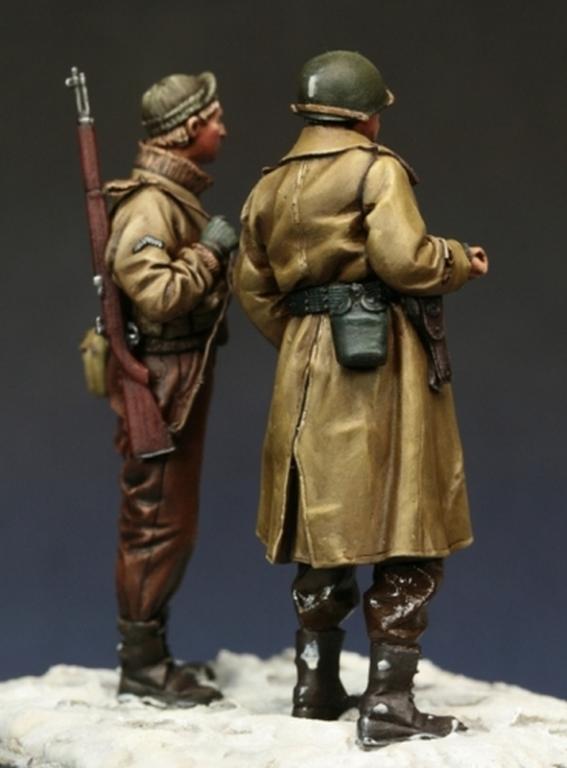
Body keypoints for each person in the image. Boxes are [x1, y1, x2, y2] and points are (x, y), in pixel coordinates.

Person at [235, 50, 488, 747]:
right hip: (377, 367)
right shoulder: (376, 169)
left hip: (305, 367)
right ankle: (389, 703)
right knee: (405, 521)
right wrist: (456, 259)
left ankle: (315, 686)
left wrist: (302, 338)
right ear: (366, 115)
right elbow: (404, 259)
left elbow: (252, 286)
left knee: (325, 529)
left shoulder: (267, 186)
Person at [104, 71, 237, 706]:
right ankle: (142, 667)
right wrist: (209, 255)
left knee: (170, 521)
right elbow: (157, 295)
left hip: (180, 371)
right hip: (163, 377)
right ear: (187, 129)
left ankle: (151, 655)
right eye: (214, 119)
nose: (223, 129)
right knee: (157, 522)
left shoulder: (170, 198)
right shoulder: (151, 206)